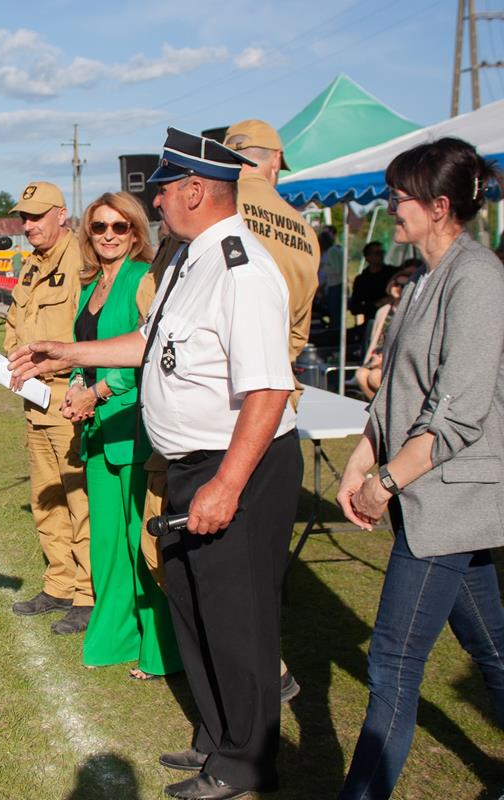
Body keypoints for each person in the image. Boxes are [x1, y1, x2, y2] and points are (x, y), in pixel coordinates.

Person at [10, 128, 301, 800]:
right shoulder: (188, 259)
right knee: (197, 612)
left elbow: (268, 389)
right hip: (191, 465)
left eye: (164, 191)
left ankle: (245, 763)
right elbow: (147, 341)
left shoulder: (241, 269)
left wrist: (228, 484)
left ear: (195, 190)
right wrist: (68, 352)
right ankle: (217, 737)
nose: (157, 203)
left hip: (235, 465)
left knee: (237, 621)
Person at [335, 137, 504, 800]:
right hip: (428, 498)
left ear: (438, 206)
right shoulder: (425, 277)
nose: (389, 207)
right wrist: (360, 460)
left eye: (398, 197)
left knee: (393, 662)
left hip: (449, 499)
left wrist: (384, 483)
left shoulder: (477, 278)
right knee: (492, 650)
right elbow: (396, 393)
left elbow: (457, 412)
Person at [61, 191, 181, 680]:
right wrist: (75, 386)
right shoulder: (91, 285)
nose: (109, 235)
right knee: (107, 543)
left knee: (141, 542)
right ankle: (115, 637)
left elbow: (149, 354)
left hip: (135, 431)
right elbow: (84, 348)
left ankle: (160, 650)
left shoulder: (144, 278)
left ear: (135, 232)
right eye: (99, 227)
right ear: (88, 233)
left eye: (119, 226)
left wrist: (98, 392)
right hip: (98, 431)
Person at [224, 117, 320, 703]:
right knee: (260, 552)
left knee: (212, 552)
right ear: (275, 162)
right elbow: (300, 331)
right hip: (279, 401)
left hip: (220, 402)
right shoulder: (303, 230)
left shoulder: (217, 212)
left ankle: (259, 672)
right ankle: (264, 666)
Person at [3, 180, 92, 634]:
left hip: (69, 400)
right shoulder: (31, 265)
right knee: (47, 500)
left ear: (62, 214)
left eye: (37, 216)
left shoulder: (82, 260)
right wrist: (13, 359)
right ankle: (59, 583)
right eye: (24, 217)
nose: (28, 224)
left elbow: (88, 334)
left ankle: (88, 593)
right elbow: (14, 322)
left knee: (81, 502)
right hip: (34, 401)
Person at [353, 264, 415, 401]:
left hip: (394, 362)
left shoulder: (411, 312)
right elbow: (376, 341)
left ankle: (383, 408)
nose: (398, 288)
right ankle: (376, 407)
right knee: (361, 374)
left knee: (375, 377)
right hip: (378, 358)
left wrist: (383, 360)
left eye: (404, 286)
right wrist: (372, 359)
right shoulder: (384, 310)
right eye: (396, 284)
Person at [348, 241, 394, 323]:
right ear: (367, 257)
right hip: (372, 321)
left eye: (382, 252)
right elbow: (354, 308)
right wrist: (375, 305)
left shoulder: (392, 273)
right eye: (377, 253)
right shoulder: (361, 280)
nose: (381, 255)